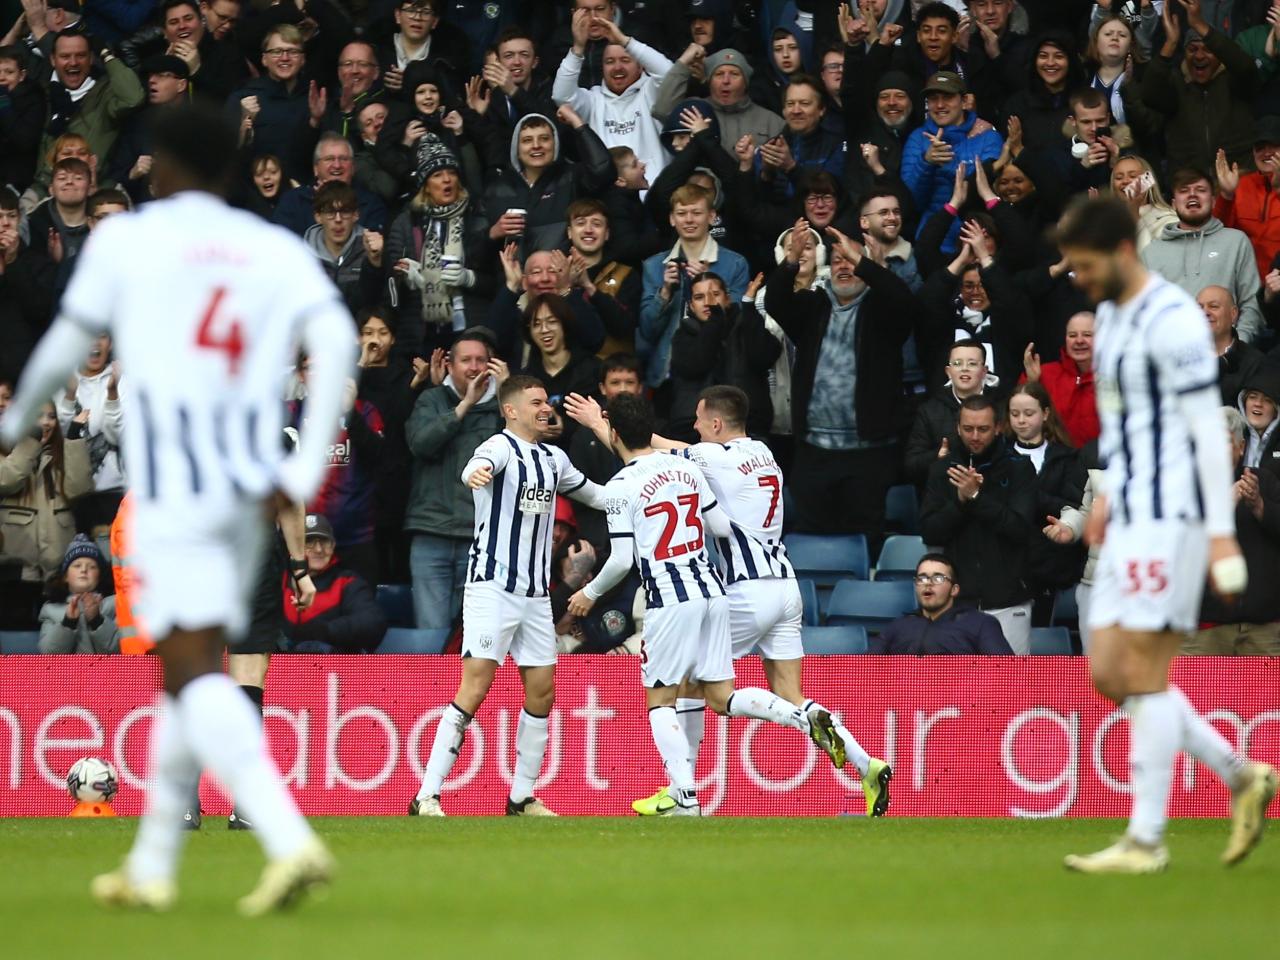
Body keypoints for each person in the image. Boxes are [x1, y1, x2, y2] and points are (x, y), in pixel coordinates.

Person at [1, 103, 353, 912]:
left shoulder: (130, 238)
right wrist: (304, 467)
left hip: (174, 484)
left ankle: (289, 838)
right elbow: (333, 340)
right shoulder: (270, 247)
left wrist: (16, 421)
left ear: (161, 165)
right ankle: (153, 864)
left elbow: (65, 338)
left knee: (192, 671)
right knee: (181, 669)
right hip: (249, 484)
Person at [1055, 195, 1275, 874]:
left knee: (1144, 670)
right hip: (1130, 510)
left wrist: (1217, 533)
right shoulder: (1115, 318)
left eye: (1084, 263)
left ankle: (1145, 840)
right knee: (1108, 673)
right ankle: (1241, 774)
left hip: (1176, 514)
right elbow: (1125, 426)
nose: (1076, 277)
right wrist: (1108, 493)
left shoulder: (1175, 320)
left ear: (1121, 251)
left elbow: (1205, 431)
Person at [569, 385, 891, 816]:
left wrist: (598, 424)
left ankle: (681, 792)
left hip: (742, 589)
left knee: (683, 686)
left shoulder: (708, 458)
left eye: (700, 421)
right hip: (785, 585)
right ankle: (867, 765)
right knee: (788, 692)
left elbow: (648, 450)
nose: (696, 429)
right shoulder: (763, 452)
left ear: (716, 424)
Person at [408, 375, 610, 817]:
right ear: (511, 410)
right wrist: (473, 473)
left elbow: (595, 495)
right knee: (476, 685)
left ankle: (521, 797)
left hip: (536, 596)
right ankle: (426, 794)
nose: (544, 408)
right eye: (535, 402)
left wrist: (635, 492)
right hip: (492, 588)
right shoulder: (499, 448)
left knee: (542, 691)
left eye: (545, 401)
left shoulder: (554, 459)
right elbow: (475, 465)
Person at [764, 217, 920, 540]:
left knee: (866, 538)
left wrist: (867, 263)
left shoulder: (883, 309)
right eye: (837, 261)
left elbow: (903, 300)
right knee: (811, 539)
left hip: (870, 453)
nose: (844, 267)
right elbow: (776, 301)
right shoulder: (813, 306)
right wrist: (792, 258)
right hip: (813, 452)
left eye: (851, 261)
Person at [920, 395, 1037, 653]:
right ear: (957, 428)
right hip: (956, 603)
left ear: (998, 428)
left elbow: (1020, 528)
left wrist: (975, 497)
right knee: (955, 689)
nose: (975, 436)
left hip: (1009, 600)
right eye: (968, 429)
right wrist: (961, 502)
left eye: (983, 429)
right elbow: (930, 531)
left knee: (1009, 688)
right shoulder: (943, 470)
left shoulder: (1019, 468)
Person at [405, 330, 504, 631]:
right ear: (449, 365)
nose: (474, 367)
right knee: (432, 633)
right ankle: (433, 682)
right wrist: (464, 406)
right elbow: (420, 443)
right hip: (430, 532)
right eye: (466, 360)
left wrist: (508, 393)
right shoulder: (432, 399)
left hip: (481, 537)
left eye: (480, 360)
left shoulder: (502, 409)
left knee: (477, 633)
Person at [1183, 407, 1280, 656]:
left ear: (1241, 447)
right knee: (1200, 695)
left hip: (1263, 627)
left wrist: (1259, 505)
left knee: (1266, 696)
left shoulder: (1264, 481)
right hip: (1204, 626)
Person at [1141, 167, 1264, 342]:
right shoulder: (1151, 252)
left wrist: (1239, 345)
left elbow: (1252, 302)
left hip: (1230, 357)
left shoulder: (1236, 241)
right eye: (1184, 191)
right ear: (1174, 204)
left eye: (1200, 190)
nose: (1192, 195)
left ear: (1213, 201)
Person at [552, 8, 673, 180]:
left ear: (641, 65)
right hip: (608, 198)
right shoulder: (592, 100)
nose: (617, 67)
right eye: (610, 61)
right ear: (602, 68)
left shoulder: (652, 91)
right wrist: (578, 48)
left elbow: (669, 74)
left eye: (625, 60)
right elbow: (561, 97)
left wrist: (625, 41)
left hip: (653, 196)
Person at [281, 514, 387, 653]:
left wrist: (324, 631)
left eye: (324, 542)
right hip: (280, 669)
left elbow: (373, 622)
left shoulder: (347, 581)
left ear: (333, 546)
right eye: (309, 541)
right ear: (293, 548)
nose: (319, 549)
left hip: (335, 669)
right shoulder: (279, 580)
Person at [870, 553, 1013, 655]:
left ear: (954, 589)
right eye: (922, 578)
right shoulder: (899, 625)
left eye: (938, 578)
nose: (929, 583)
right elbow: (863, 669)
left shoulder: (980, 623)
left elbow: (1006, 674)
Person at [905, 338, 991, 488]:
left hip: (993, 490)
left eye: (972, 363)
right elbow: (912, 464)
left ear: (984, 371)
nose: (964, 369)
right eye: (957, 363)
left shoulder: (1000, 405)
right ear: (948, 372)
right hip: (945, 495)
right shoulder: (929, 410)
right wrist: (937, 457)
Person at [1212, 118, 1280, 283]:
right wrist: (1227, 195)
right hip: (1245, 284)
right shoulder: (1241, 184)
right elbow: (1218, 235)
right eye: (1260, 148)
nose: (1266, 153)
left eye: (1274, 146)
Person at [1022, 311, 1100, 447]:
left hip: (1102, 462)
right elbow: (1020, 417)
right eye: (1072, 335)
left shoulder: (1113, 375)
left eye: (1087, 335)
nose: (1079, 341)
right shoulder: (1044, 373)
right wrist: (1032, 383)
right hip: (1056, 460)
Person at [37, 534, 119, 653]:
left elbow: (118, 650)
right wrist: (68, 622)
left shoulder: (114, 605)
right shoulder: (51, 610)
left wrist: (97, 620)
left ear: (99, 576)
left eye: (92, 567)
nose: (84, 570)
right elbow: (48, 654)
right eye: (77, 566)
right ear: (65, 577)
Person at [1202, 285, 1263, 406]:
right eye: (1199, 307)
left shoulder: (1256, 364)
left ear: (1233, 314)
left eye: (1213, 306)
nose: (1205, 312)